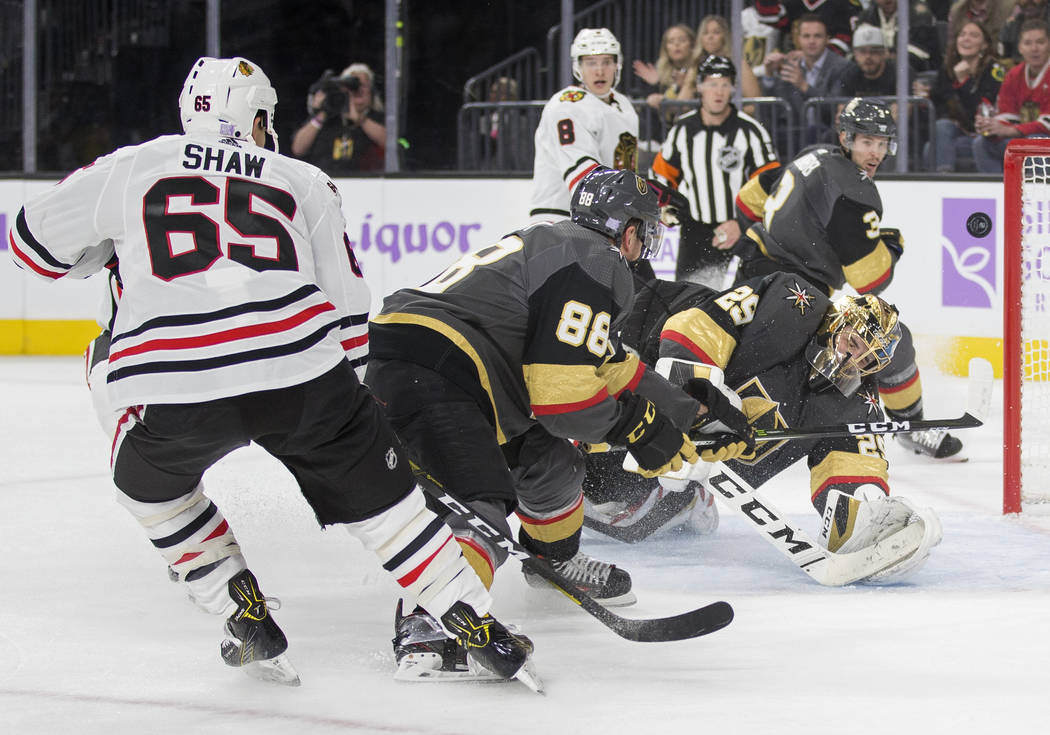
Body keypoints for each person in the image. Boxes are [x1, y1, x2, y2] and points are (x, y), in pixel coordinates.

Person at [7, 56, 537, 690]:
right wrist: (359, 417)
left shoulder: (133, 165)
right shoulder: (303, 178)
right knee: (391, 512)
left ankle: (242, 611)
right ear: (256, 119)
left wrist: (107, 248)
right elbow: (346, 313)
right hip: (302, 371)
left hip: (176, 381)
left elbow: (29, 246)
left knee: (150, 488)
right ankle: (471, 620)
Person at [365, 167, 754, 678]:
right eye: (645, 229)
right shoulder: (598, 260)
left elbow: (614, 365)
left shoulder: (564, 247)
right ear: (628, 230)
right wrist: (640, 430)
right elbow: (560, 400)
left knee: (552, 464)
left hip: (440, 365)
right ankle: (430, 620)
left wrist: (692, 415)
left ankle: (552, 561)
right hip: (436, 371)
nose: (646, 244)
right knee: (483, 501)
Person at [581, 273, 943, 585]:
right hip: (640, 340)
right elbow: (692, 328)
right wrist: (691, 406)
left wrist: (871, 529)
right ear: (839, 321)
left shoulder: (856, 403)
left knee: (633, 519)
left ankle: (687, 501)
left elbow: (854, 476)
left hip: (690, 457)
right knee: (583, 463)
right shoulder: (793, 300)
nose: (852, 359)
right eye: (852, 341)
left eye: (866, 358)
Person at [733, 98, 966, 460]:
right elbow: (872, 281)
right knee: (890, 337)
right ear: (846, 137)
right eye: (865, 142)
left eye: (881, 143)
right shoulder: (855, 191)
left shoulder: (814, 154)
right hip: (795, 300)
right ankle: (911, 426)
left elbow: (748, 201)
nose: (874, 153)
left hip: (748, 280)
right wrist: (892, 245)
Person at [650, 56, 777, 287]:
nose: (718, 92)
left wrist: (742, 224)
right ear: (699, 87)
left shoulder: (751, 132)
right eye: (711, 84)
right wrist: (667, 208)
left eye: (724, 85)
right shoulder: (682, 130)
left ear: (733, 89)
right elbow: (661, 175)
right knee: (690, 305)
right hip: (695, 234)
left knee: (746, 306)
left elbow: (771, 184)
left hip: (744, 233)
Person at [528, 28, 638, 223]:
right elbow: (584, 179)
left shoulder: (624, 105)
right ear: (578, 66)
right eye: (590, 63)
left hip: (607, 218)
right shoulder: (566, 105)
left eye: (606, 62)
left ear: (617, 65)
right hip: (561, 218)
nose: (599, 70)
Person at [914, 20, 1005, 171]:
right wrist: (926, 100)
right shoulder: (948, 69)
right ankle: (944, 178)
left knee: (931, 148)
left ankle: (944, 179)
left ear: (985, 45)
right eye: (962, 35)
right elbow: (938, 110)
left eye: (974, 35)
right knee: (940, 129)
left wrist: (964, 82)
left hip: (986, 138)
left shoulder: (995, 70)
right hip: (959, 135)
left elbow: (981, 112)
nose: (966, 39)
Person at [973, 18, 1050, 172]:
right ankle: (996, 191)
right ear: (1020, 48)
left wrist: (1011, 130)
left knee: (1033, 143)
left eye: (1040, 42)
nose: (1034, 48)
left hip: (1041, 141)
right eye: (1028, 43)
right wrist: (991, 125)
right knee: (981, 143)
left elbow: (1047, 122)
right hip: (1024, 138)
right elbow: (1008, 115)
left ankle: (1037, 195)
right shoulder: (1014, 75)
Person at [761, 13, 851, 144]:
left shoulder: (842, 67)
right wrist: (769, 76)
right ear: (798, 39)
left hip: (831, 140)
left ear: (827, 39)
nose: (811, 41)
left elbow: (834, 110)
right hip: (795, 141)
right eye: (806, 36)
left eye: (817, 36)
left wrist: (803, 86)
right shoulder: (790, 65)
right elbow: (774, 112)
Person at [290, 63, 386, 174]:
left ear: (371, 91)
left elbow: (389, 144)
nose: (358, 90)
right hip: (326, 180)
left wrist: (361, 120)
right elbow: (298, 149)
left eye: (363, 86)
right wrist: (321, 113)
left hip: (365, 181)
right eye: (353, 86)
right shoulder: (329, 117)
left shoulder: (378, 117)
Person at [633, 23, 698, 120]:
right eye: (671, 41)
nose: (677, 44)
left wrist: (684, 85)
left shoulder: (698, 69)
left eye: (682, 40)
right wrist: (655, 84)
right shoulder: (659, 72)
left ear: (692, 45)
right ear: (666, 48)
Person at [855, 0, 941, 71]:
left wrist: (882, 56)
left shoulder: (919, 13)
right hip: (878, 75)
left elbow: (917, 57)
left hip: (916, 74)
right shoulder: (867, 16)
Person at [695, 15, 763, 98]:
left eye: (716, 32)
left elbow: (754, 103)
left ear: (724, 36)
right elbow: (682, 105)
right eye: (705, 33)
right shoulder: (695, 66)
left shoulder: (739, 65)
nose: (710, 37)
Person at [948, 0, 1015, 44]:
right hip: (965, 60)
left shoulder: (1009, 7)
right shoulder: (957, 10)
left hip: (998, 61)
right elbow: (952, 44)